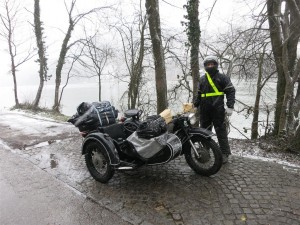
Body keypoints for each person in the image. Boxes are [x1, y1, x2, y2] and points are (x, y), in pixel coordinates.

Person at [194, 55, 236, 164]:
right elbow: (199, 94)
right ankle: (205, 152)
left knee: (221, 132)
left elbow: (231, 91)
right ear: (205, 66)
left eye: (212, 64)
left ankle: (225, 154)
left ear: (215, 65)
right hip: (204, 110)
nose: (210, 66)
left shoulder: (222, 77)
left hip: (218, 110)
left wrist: (230, 106)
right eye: (208, 64)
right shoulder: (202, 79)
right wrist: (195, 105)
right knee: (204, 132)